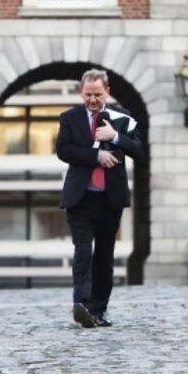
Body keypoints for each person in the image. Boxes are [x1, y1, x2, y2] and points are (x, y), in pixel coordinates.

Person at [56, 69, 142, 328]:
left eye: (98, 94)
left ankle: (99, 309)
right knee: (83, 251)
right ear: (81, 92)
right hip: (81, 197)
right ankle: (81, 305)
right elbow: (64, 150)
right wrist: (96, 156)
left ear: (107, 92)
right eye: (88, 94)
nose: (92, 100)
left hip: (110, 199)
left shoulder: (122, 117)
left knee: (104, 256)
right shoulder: (69, 118)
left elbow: (139, 150)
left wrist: (114, 137)